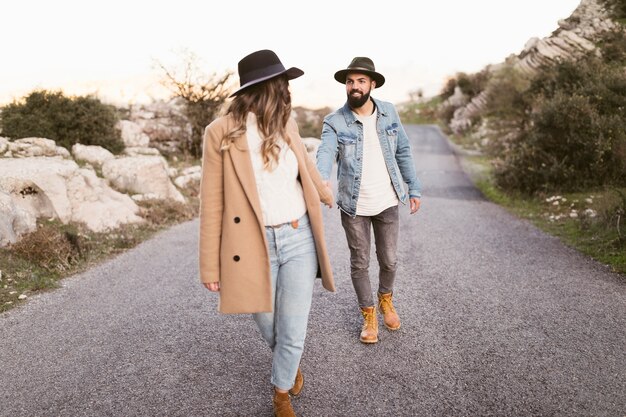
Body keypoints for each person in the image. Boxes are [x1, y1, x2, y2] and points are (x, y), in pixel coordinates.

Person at [199, 49, 335, 417]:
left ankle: (281, 393)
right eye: (283, 84)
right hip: (250, 244)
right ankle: (288, 366)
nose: (288, 91)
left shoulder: (285, 123)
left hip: (298, 237)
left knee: (293, 326)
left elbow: (304, 164)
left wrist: (325, 194)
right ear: (266, 88)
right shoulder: (220, 133)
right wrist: (210, 267)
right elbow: (211, 201)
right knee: (269, 323)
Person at [316, 56, 421, 344]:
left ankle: (386, 299)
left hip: (387, 201)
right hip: (354, 206)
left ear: (372, 84)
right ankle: (369, 315)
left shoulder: (389, 113)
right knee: (359, 262)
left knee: (389, 259)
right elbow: (325, 152)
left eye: (361, 81)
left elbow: (403, 151)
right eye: (350, 81)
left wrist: (414, 187)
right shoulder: (334, 121)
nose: (354, 86)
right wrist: (321, 178)